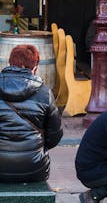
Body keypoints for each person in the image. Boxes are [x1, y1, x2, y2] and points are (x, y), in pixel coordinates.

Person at [0, 44, 63, 182]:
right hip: (34, 168)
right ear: (34, 67)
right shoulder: (45, 93)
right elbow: (55, 135)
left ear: (10, 63)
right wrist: (36, 146)